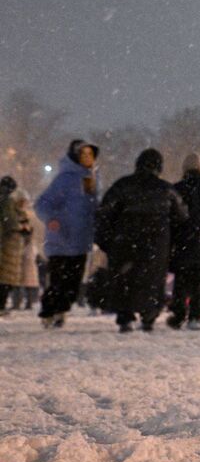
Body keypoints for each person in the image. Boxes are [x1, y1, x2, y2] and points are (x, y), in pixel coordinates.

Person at [94, 150, 188, 333]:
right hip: (157, 241)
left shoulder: (122, 185)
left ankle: (124, 315)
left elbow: (105, 212)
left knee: (125, 278)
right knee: (152, 279)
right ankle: (149, 315)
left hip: (126, 240)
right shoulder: (166, 189)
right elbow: (182, 216)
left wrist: (106, 240)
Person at [35, 140, 102, 329]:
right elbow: (42, 204)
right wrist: (53, 219)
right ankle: (49, 312)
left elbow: (92, 206)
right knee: (57, 281)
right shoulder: (65, 179)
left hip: (81, 240)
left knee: (73, 283)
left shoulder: (93, 178)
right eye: (84, 154)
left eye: (91, 154)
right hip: (61, 240)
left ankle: (61, 310)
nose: (88, 158)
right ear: (76, 157)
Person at [167, 154, 200, 330]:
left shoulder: (177, 188)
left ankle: (179, 313)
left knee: (181, 279)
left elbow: (173, 216)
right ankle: (195, 316)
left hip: (183, 239)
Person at [0, 176, 34, 314]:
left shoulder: (6, 200)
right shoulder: (6, 201)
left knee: (6, 277)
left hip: (9, 244)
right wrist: (22, 227)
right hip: (9, 244)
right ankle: (1, 305)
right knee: (6, 278)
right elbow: (11, 222)